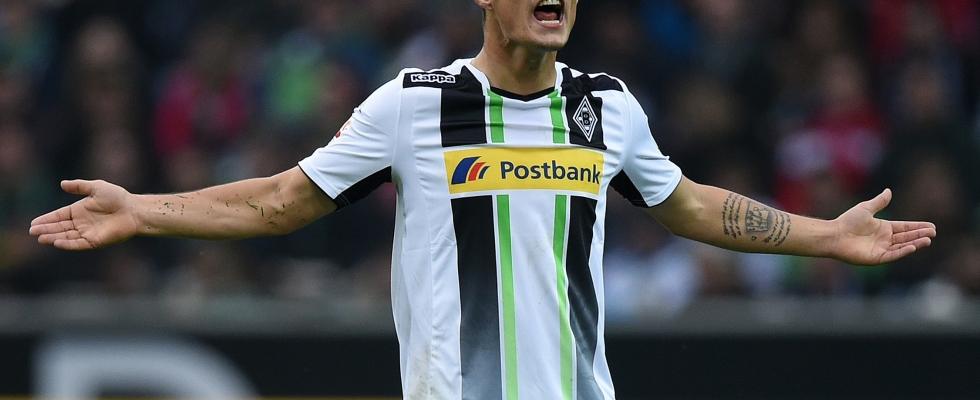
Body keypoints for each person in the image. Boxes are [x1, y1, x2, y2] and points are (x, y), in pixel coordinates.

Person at [30, 0, 936, 399]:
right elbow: (280, 199)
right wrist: (142, 210)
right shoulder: (413, 104)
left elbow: (691, 206)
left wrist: (827, 236)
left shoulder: (606, 108)